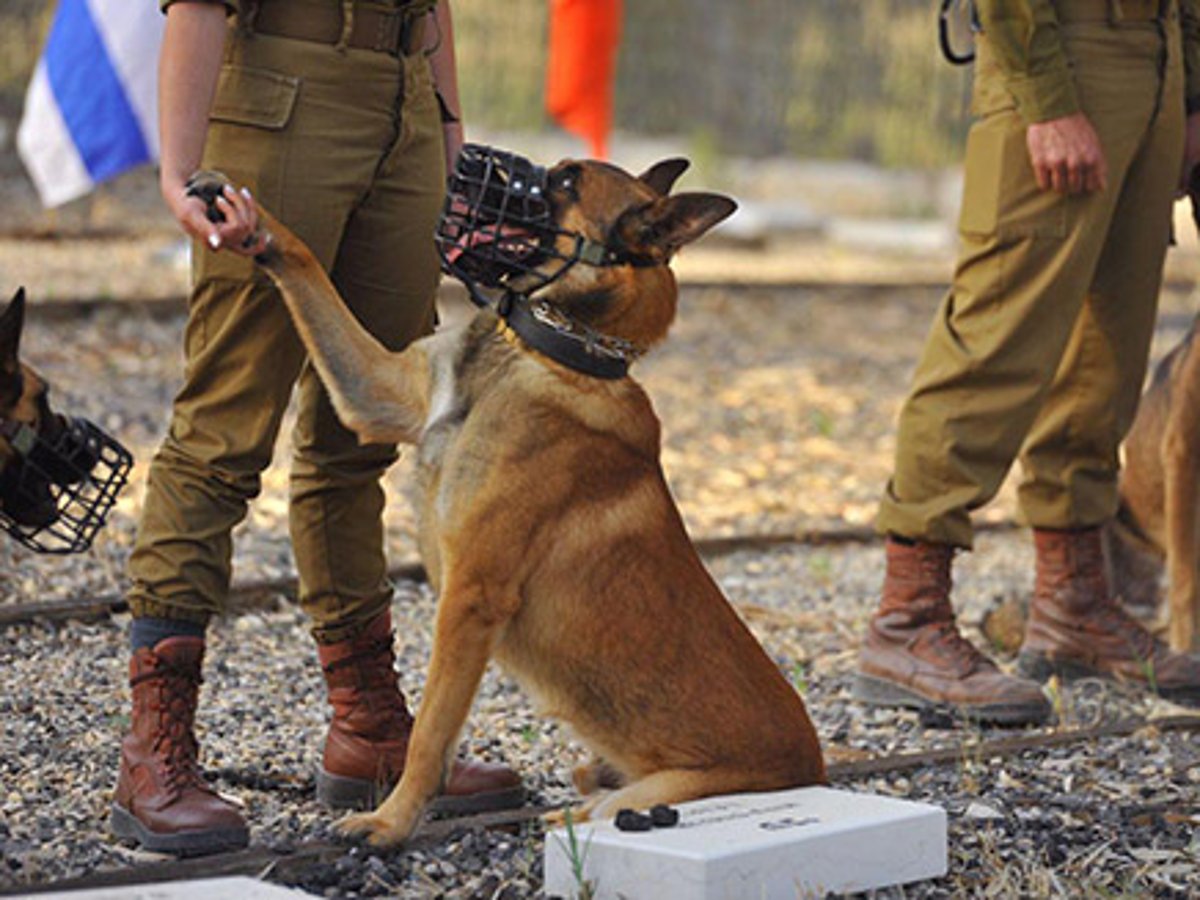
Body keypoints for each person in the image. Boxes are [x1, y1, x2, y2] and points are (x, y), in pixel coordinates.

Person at [111, 0, 522, 855]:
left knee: (362, 436)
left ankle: (369, 729)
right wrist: (178, 171)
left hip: (406, 109)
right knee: (223, 432)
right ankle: (153, 752)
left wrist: (449, 152)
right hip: (283, 95)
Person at [856, 0, 1200, 726]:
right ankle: (907, 621)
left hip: (1158, 52)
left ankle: (1074, 607)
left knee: (1107, 358)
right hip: (1062, 54)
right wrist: (1045, 99)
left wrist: (1191, 91)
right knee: (992, 346)